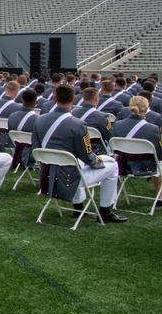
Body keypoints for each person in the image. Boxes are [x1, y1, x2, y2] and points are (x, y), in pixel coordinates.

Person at [33, 84, 127, 223]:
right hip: (70, 178)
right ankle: (105, 211)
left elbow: (36, 148)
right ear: (75, 99)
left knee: (74, 162)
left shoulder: (39, 119)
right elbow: (88, 157)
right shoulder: (79, 124)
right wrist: (102, 160)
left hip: (48, 175)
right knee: (112, 166)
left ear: (54, 97)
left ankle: (78, 207)